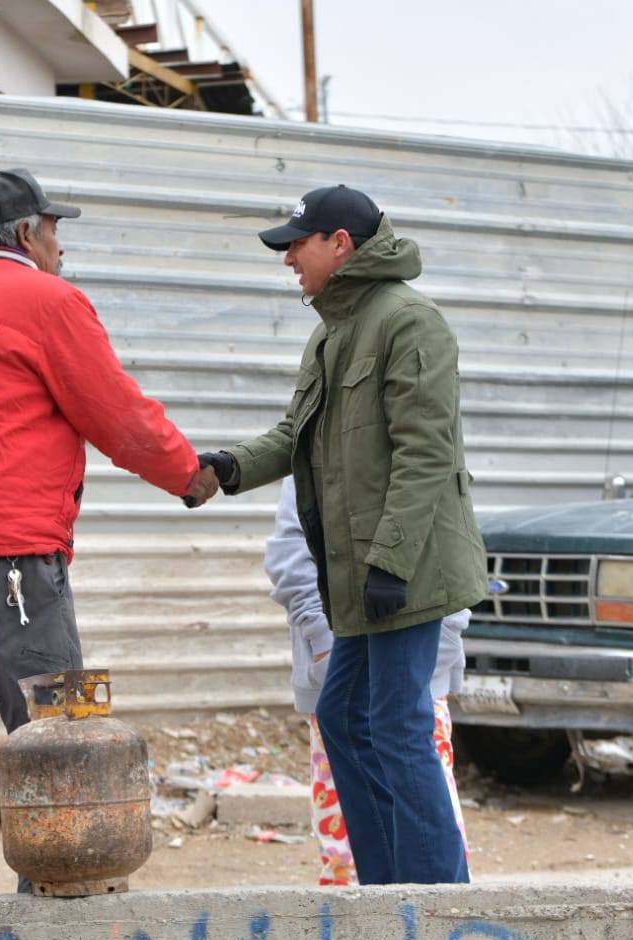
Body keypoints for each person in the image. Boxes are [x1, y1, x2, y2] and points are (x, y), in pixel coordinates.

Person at [0, 166, 219, 895]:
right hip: (3, 555)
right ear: (28, 233)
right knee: (55, 730)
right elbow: (114, 410)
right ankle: (58, 905)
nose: (61, 245)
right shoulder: (46, 300)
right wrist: (188, 475)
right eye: (55, 229)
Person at [198, 185, 487, 885]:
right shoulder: (331, 332)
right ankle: (386, 885)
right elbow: (295, 437)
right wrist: (224, 469)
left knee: (393, 723)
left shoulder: (409, 323)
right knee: (343, 715)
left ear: (341, 245)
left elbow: (425, 455)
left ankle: (437, 900)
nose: (288, 258)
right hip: (357, 578)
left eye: (297, 244)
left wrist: (389, 564)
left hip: (406, 569)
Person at [263, 477, 472, 885]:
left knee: (427, 823)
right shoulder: (321, 435)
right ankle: (377, 933)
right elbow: (292, 548)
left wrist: (437, 651)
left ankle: (435, 927)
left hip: (417, 679)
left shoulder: (418, 445)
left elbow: (452, 547)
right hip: (340, 668)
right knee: (346, 857)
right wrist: (324, 642)